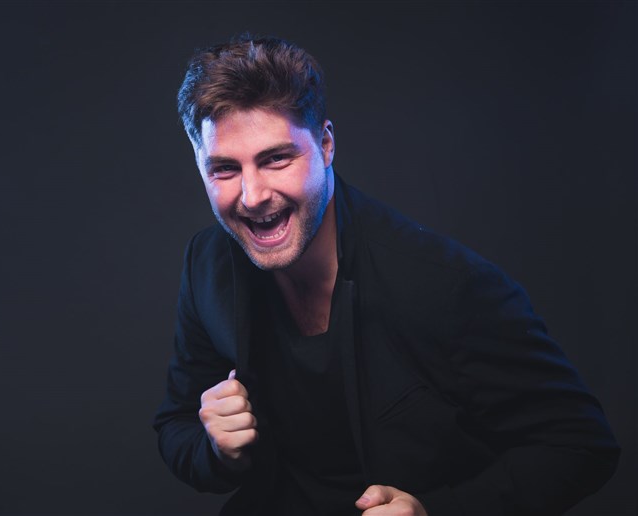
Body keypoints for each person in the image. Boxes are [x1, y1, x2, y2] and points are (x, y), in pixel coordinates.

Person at [153, 35, 620, 515]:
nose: (252, 196)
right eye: (224, 169)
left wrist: (437, 512)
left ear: (326, 145)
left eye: (276, 159)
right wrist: (216, 450)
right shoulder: (208, 263)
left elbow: (580, 444)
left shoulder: (445, 284)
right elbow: (176, 424)